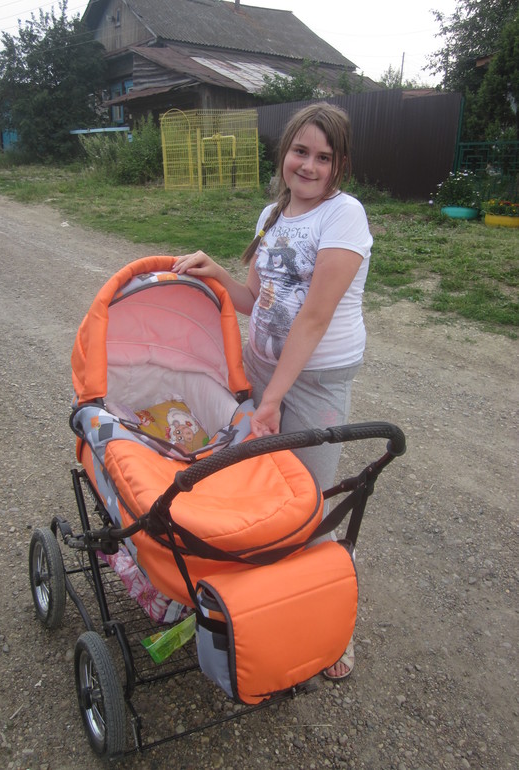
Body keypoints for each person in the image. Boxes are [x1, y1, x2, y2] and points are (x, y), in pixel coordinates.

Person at [173, 103, 372, 680]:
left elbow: (314, 317)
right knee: (264, 490)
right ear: (284, 152)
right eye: (300, 151)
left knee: (311, 500)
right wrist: (216, 271)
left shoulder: (345, 215)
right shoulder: (272, 214)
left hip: (311, 381)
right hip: (264, 372)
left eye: (323, 157)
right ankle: (266, 602)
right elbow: (253, 300)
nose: (308, 165)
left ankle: (332, 629)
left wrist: (272, 399)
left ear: (339, 165)